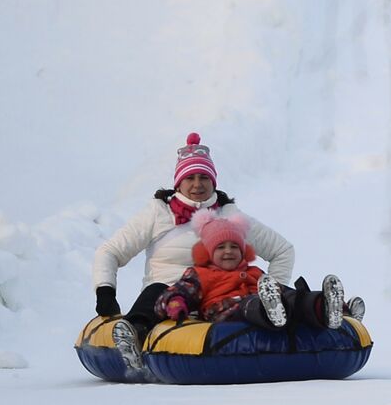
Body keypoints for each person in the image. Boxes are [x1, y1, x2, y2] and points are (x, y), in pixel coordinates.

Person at [92, 132, 297, 364]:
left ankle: (303, 312)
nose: (197, 185)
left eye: (204, 178)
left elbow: (282, 250)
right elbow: (110, 252)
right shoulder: (158, 213)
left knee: (260, 298)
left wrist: (272, 290)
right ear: (178, 183)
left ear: (213, 182)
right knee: (156, 289)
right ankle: (134, 335)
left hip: (217, 298)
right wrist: (105, 292)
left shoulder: (230, 217)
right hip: (167, 298)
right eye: (190, 178)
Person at [151, 210, 346, 336]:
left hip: (265, 302)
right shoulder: (200, 274)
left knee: (292, 297)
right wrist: (175, 302)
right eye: (221, 248)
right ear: (209, 253)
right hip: (226, 313)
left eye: (235, 246)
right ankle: (270, 310)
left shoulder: (253, 271)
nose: (228, 251)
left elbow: (279, 290)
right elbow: (178, 291)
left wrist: (298, 298)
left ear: (243, 250)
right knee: (251, 304)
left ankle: (324, 307)